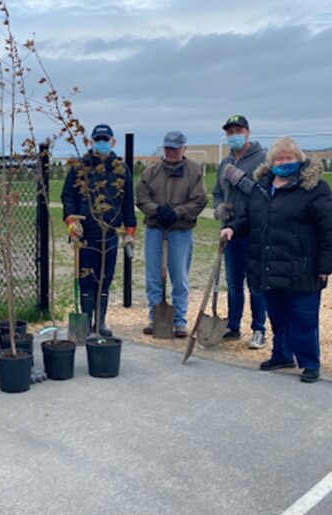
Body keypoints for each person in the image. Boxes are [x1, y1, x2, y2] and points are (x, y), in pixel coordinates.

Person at [220, 137, 331, 383]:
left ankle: (310, 362)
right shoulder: (262, 188)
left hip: (302, 266)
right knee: (277, 315)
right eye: (279, 159)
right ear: (271, 162)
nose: (283, 163)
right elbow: (250, 219)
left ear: (298, 160)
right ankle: (282, 354)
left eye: (288, 158)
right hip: (268, 264)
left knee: (303, 316)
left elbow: (327, 230)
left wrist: (325, 265)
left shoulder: (315, 189)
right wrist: (233, 228)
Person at [61, 123, 137, 337]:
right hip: (85, 234)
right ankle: (84, 323)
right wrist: (70, 222)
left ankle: (100, 322)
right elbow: (68, 196)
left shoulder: (121, 170)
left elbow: (127, 203)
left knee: (105, 279)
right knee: (87, 279)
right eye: (98, 139)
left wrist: (129, 232)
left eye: (105, 139)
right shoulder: (80, 168)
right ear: (92, 142)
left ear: (113, 142)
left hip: (110, 234)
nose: (101, 143)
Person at [135, 131, 207, 338]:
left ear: (184, 148)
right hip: (155, 229)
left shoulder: (194, 172)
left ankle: (179, 320)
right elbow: (141, 196)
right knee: (153, 275)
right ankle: (155, 316)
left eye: (175, 148)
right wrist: (156, 210)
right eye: (168, 148)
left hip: (180, 230)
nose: (171, 152)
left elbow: (199, 200)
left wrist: (177, 213)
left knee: (179, 276)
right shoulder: (151, 172)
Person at [213, 115, 268, 348]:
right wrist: (219, 208)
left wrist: (240, 179)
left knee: (255, 282)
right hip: (229, 229)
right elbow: (216, 191)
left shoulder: (262, 160)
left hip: (254, 229)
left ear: (247, 132)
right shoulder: (225, 163)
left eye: (238, 131)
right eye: (230, 132)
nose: (233, 135)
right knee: (233, 282)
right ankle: (233, 325)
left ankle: (259, 329)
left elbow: (263, 194)